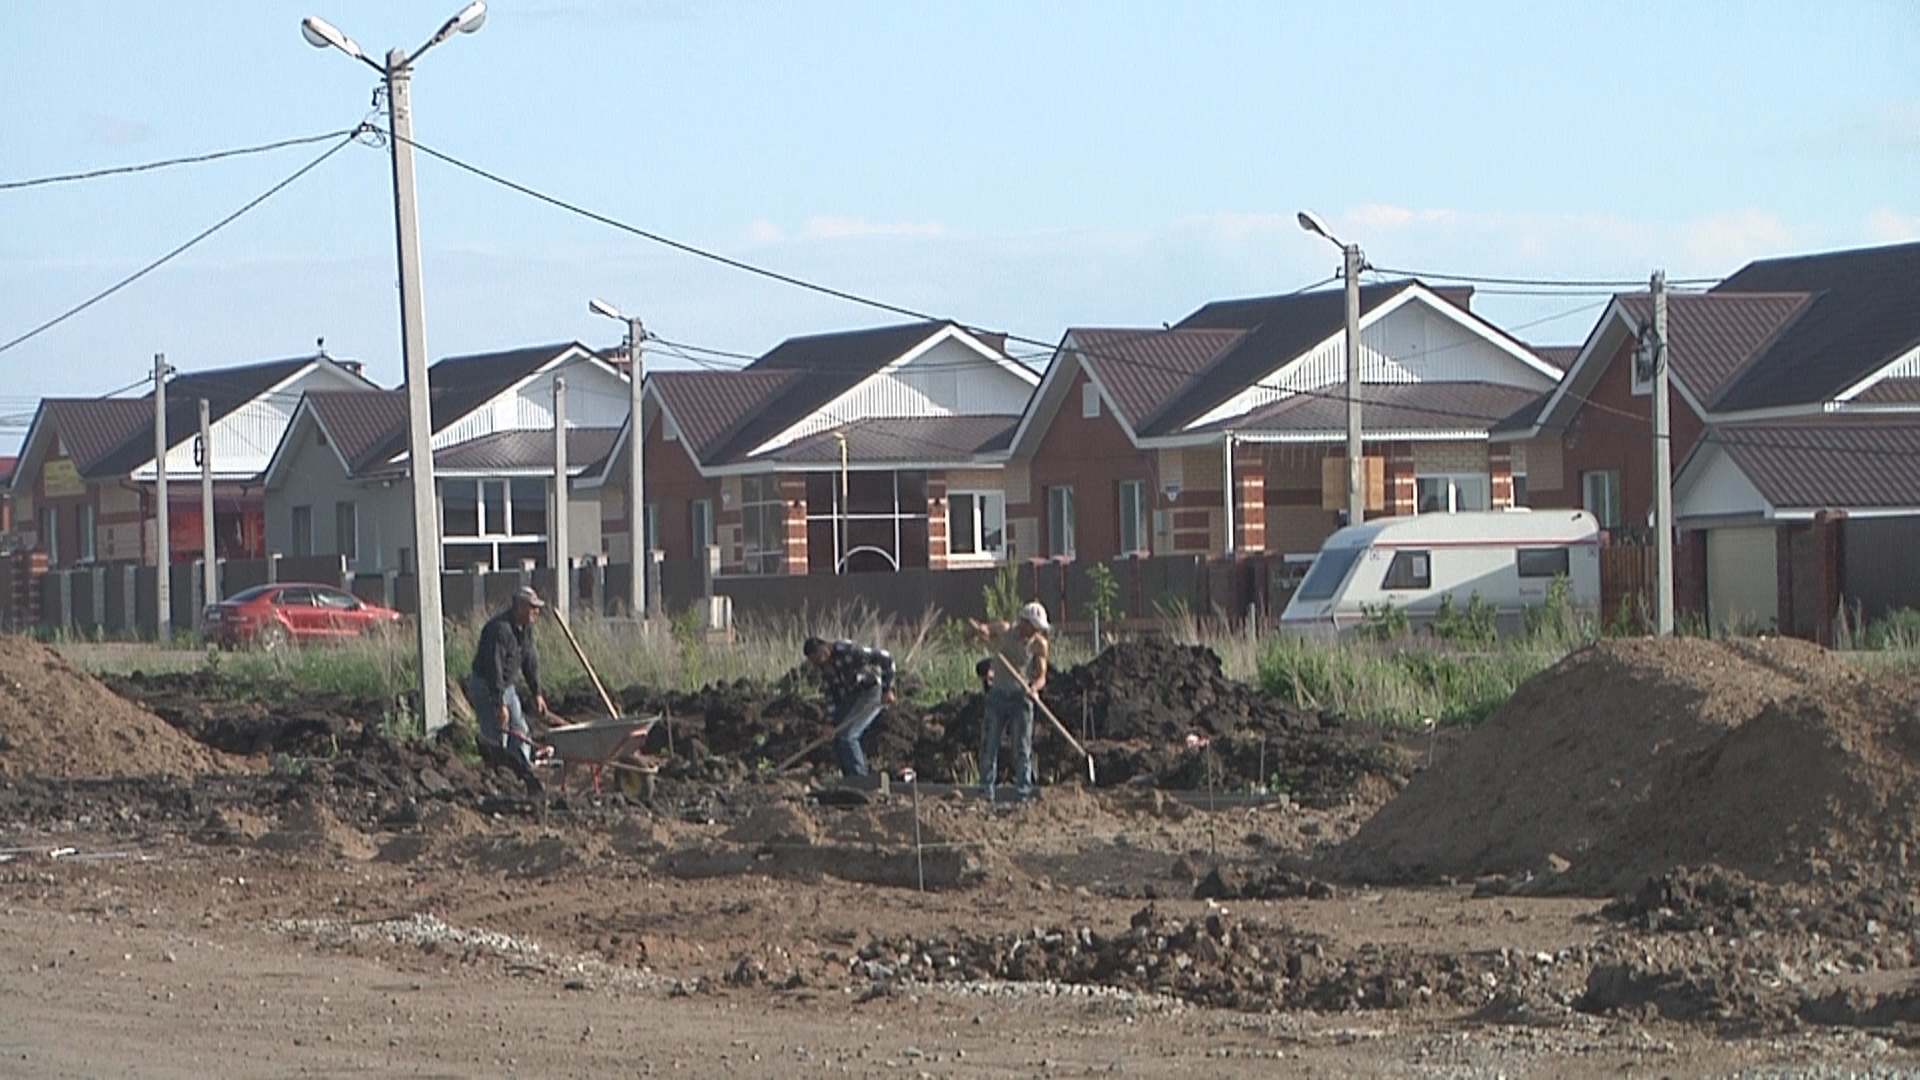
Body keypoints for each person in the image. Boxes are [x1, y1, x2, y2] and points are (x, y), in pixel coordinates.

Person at [469, 585, 550, 797]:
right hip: (487, 685)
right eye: (532, 608)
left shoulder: (525, 630)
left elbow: (529, 661)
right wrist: (498, 703)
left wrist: (537, 693)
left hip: (507, 686)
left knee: (520, 731)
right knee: (497, 734)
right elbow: (493, 668)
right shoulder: (499, 630)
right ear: (520, 607)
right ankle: (495, 782)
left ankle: (522, 775)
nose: (536, 612)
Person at [967, 601, 1051, 802]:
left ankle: (1023, 794)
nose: (1036, 631)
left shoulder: (1038, 645)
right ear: (1025, 622)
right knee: (989, 746)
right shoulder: (1005, 631)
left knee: (1022, 749)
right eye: (1034, 626)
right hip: (998, 695)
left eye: (1039, 628)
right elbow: (986, 630)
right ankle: (985, 793)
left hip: (1021, 698)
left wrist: (1034, 688)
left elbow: (1042, 676)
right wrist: (980, 630)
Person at [802, 636, 896, 780]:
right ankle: (849, 778)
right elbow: (831, 698)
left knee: (848, 736)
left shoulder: (848, 651)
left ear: (826, 647)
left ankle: (860, 779)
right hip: (850, 697)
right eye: (816, 662)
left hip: (870, 692)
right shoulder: (824, 670)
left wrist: (887, 689)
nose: (821, 664)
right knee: (837, 737)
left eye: (821, 658)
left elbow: (886, 658)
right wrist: (830, 723)